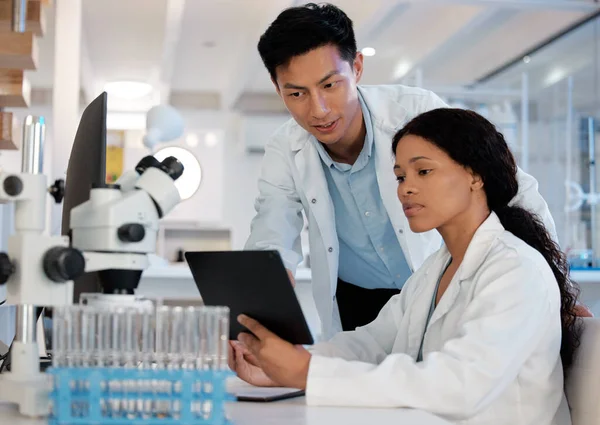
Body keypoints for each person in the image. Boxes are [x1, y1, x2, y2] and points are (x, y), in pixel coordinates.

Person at [230, 108, 581, 425]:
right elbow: (372, 343)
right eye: (400, 177)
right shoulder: (435, 270)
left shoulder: (516, 270)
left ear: (475, 176)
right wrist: (284, 366)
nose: (406, 189)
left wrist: (308, 373)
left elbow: (460, 385)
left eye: (423, 171)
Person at [244, 3, 562, 339]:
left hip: (431, 284)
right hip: (356, 299)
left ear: (357, 68)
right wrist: (265, 300)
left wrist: (555, 287)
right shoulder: (285, 148)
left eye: (330, 85)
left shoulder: (415, 112)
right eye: (297, 93)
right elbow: (272, 229)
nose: (318, 109)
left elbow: (510, 187)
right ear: (277, 87)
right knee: (355, 379)